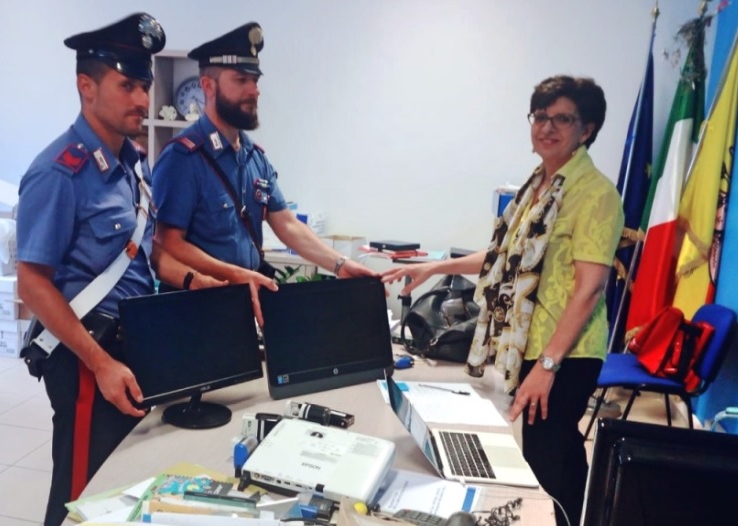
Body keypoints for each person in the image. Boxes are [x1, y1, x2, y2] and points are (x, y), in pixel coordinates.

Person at [382, 75, 624, 526]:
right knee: (554, 451)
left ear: (586, 129)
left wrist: (547, 366)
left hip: (565, 353)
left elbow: (589, 288)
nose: (546, 127)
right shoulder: (538, 187)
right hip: (533, 346)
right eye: (540, 116)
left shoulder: (595, 194)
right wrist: (434, 268)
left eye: (562, 119)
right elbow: (504, 258)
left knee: (550, 458)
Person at [16, 14, 223, 526]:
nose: (141, 99)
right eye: (126, 86)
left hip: (130, 348)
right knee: (80, 494)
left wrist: (197, 281)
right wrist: (100, 363)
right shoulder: (59, 172)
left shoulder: (135, 163)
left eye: (144, 86)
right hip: (87, 356)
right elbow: (32, 283)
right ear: (86, 87)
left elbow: (145, 252)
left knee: (121, 487)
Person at [151, 22, 376, 323]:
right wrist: (235, 274)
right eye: (241, 80)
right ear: (208, 86)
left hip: (244, 304)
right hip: (196, 312)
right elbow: (166, 242)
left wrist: (340, 264)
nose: (254, 91)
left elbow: (287, 224)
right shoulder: (183, 157)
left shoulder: (253, 156)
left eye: (255, 80)